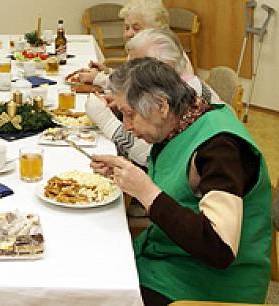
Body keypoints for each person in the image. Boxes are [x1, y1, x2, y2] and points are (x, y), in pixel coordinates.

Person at [91, 58, 271, 305]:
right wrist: (129, 176)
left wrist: (146, 192)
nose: (127, 126)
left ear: (161, 105)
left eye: (130, 114)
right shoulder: (182, 123)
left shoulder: (220, 148)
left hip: (206, 288)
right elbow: (179, 184)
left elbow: (219, 249)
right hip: (168, 260)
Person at [86, 28, 220, 167]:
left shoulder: (192, 98)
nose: (129, 77)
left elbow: (152, 158)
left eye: (137, 70)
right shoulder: (173, 87)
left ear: (160, 69)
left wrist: (107, 122)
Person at [78, 0, 170, 86]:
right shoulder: (138, 49)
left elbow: (135, 89)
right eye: (127, 27)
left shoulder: (160, 54)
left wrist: (98, 78)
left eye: (136, 28)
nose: (128, 34)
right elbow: (131, 77)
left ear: (155, 31)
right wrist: (107, 71)